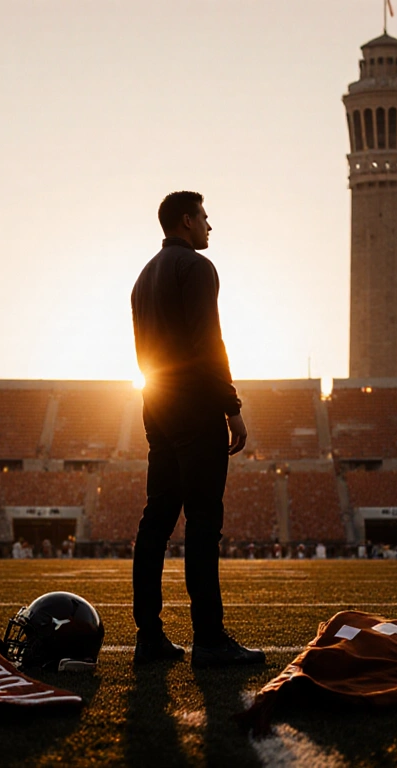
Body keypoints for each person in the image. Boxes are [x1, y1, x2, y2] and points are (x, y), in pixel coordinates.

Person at [130, 190, 264, 668]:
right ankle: (209, 639)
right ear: (186, 221)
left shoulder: (144, 276)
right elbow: (209, 341)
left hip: (157, 406)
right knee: (204, 524)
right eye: (205, 217)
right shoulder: (197, 268)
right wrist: (231, 407)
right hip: (193, 406)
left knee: (156, 523)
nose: (210, 225)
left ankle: (149, 637)